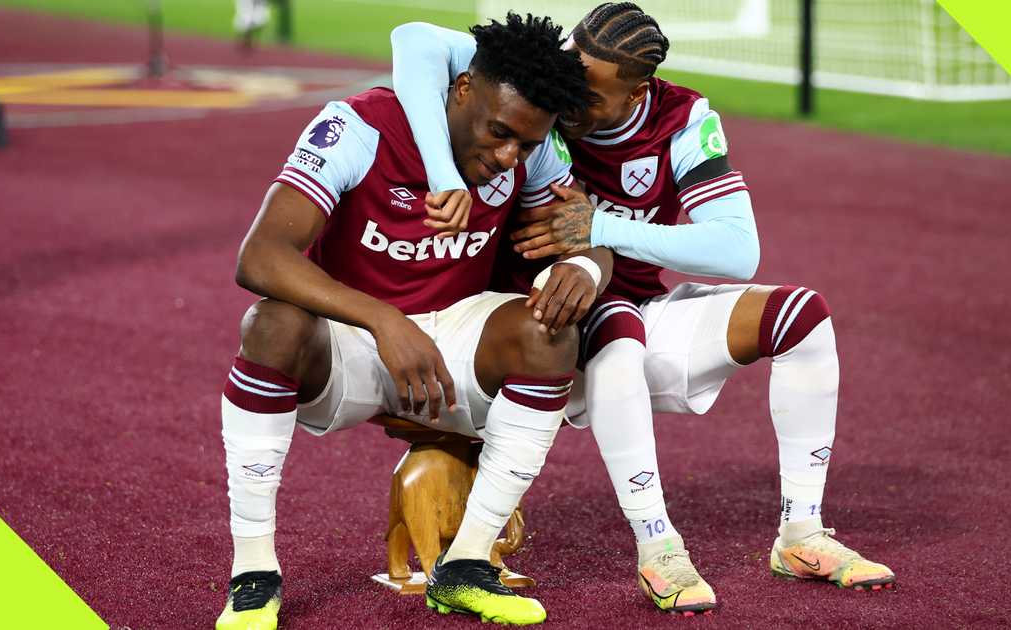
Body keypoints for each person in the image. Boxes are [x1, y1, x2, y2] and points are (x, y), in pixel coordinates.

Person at [390, 1, 896, 615]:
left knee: (802, 316)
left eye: (591, 97)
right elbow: (413, 38)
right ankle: (658, 547)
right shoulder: (545, 87)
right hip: (533, 334)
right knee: (615, 325)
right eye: (570, 81)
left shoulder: (682, 120)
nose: (568, 105)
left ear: (638, 93)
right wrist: (445, 175)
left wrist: (599, 229)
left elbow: (738, 249)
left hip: (635, 313)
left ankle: (803, 532)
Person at [215, 13, 607, 629]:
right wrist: (383, 320)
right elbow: (260, 256)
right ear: (461, 89)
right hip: (349, 340)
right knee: (272, 324)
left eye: (526, 145)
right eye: (500, 133)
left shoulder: (528, 153)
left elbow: (588, 237)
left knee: (547, 331)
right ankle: (253, 571)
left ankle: (467, 566)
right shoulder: (359, 126)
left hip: (451, 339)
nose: (509, 156)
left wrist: (585, 270)